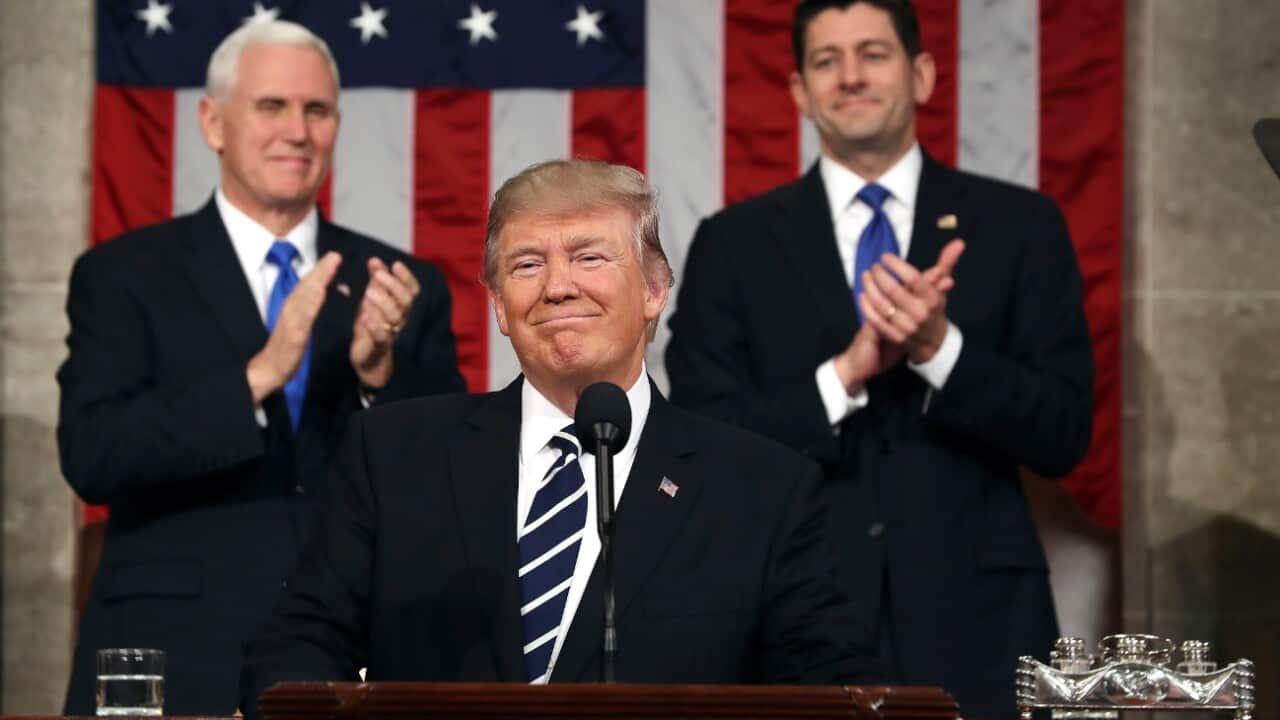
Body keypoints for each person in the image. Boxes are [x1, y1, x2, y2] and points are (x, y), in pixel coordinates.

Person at [239, 159, 878, 715]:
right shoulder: (395, 454)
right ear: (497, 306)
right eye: (526, 265)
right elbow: (296, 651)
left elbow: (827, 692)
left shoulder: (761, 490)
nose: (558, 286)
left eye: (589, 257)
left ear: (655, 291)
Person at [664, 1, 1094, 717]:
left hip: (979, 626)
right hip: (796, 619)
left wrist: (938, 350)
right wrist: (844, 376)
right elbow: (704, 439)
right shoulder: (732, 243)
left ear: (922, 74)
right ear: (800, 91)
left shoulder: (1020, 225)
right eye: (826, 61)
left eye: (874, 53)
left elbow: (1064, 432)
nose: (851, 77)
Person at [58, 20, 465, 715]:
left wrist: (378, 376)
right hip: (176, 648)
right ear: (213, 123)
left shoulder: (399, 284)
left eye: (317, 110)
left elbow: (452, 476)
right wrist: (256, 376)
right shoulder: (124, 275)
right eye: (271, 106)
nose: (298, 131)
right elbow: (94, 455)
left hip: (348, 653)